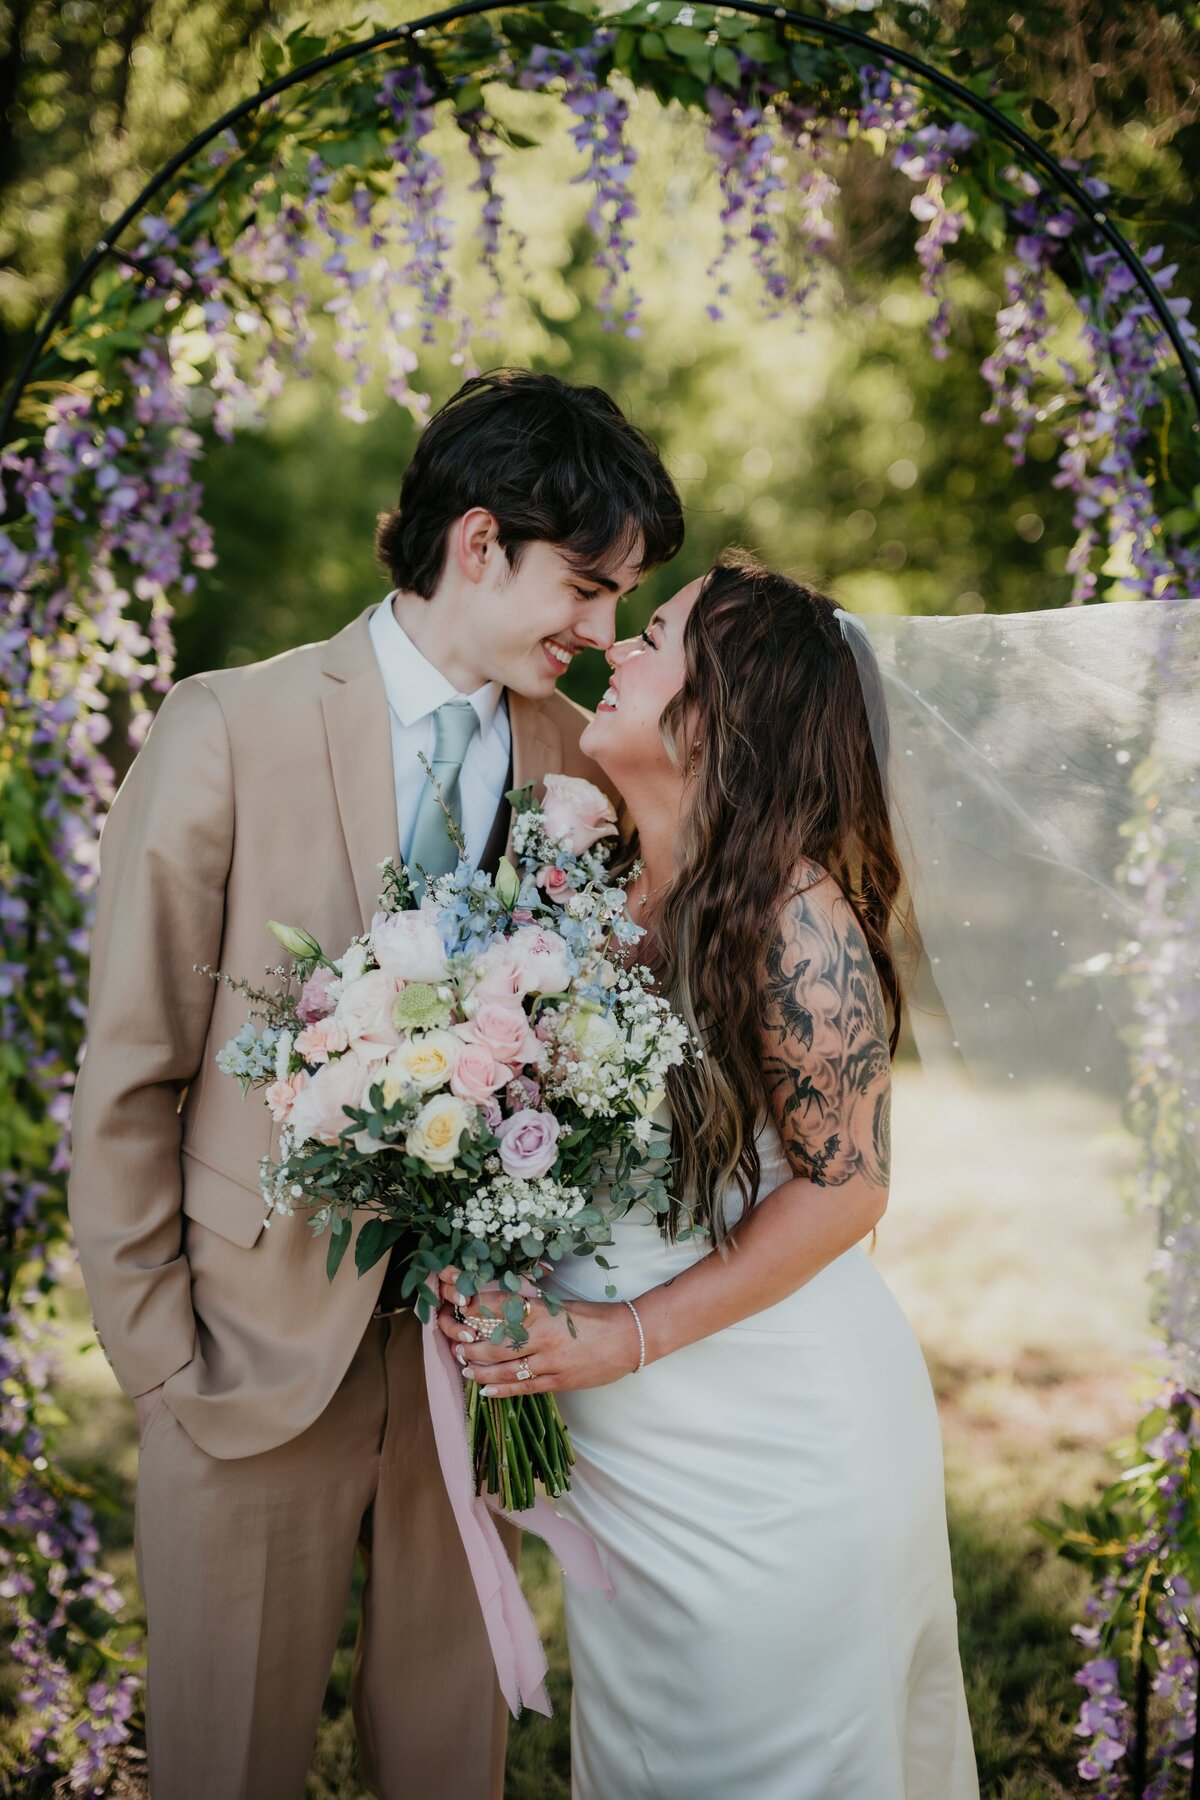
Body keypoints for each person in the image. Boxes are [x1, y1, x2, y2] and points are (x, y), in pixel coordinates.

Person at [67, 367, 684, 1800]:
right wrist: (161, 1356)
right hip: (239, 1360)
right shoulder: (225, 726)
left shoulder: (568, 766)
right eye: (586, 588)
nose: (601, 634)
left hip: (471, 1375)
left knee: (448, 1766)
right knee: (225, 1766)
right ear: (480, 543)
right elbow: (130, 1069)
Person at [439, 552, 980, 1798]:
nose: (619, 647)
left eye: (660, 633)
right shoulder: (580, 887)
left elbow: (848, 1190)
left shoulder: (794, 919)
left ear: (724, 705)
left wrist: (617, 1335)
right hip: (629, 1463)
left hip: (775, 1452)